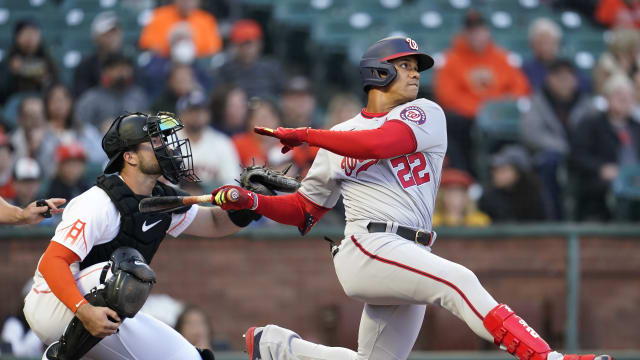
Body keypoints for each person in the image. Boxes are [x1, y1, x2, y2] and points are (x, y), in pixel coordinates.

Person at [210, 36, 610, 360]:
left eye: (416, 66)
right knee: (459, 280)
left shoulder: (425, 114)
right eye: (405, 65)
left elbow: (379, 144)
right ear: (377, 72)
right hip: (368, 245)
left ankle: (278, 347)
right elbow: (304, 212)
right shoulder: (338, 138)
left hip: (409, 250)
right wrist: (251, 203)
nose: (415, 73)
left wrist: (307, 135)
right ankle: (548, 359)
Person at [23, 112, 260, 360]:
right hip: (53, 304)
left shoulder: (160, 198)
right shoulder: (98, 202)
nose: (166, 146)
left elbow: (213, 223)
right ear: (130, 156)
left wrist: (254, 203)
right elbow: (53, 262)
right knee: (126, 270)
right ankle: (61, 356)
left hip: (102, 308)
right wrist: (82, 310)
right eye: (155, 141)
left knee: (189, 357)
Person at [434, 9, 530, 171]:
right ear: (465, 33)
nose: (476, 35)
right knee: (448, 123)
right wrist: (480, 110)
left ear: (487, 32)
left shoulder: (502, 57)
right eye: (472, 31)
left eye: (480, 30)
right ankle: (466, 173)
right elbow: (447, 95)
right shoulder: (452, 59)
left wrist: (496, 108)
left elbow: (520, 87)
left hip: (498, 116)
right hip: (468, 118)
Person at [520, 59, 593, 220]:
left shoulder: (586, 103)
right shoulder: (539, 101)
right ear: (549, 79)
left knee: (594, 166)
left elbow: (594, 133)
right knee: (549, 162)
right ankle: (553, 219)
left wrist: (577, 150)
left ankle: (588, 219)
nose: (564, 82)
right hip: (552, 155)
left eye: (568, 77)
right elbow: (531, 133)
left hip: (581, 156)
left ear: (575, 79)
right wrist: (564, 148)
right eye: (559, 77)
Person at [571, 73, 640, 221]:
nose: (624, 99)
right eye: (619, 94)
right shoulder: (591, 124)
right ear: (607, 98)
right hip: (604, 182)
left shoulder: (636, 127)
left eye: (629, 95)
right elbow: (577, 155)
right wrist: (601, 168)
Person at [176, 90, 240, 187]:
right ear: (181, 115)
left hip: (212, 199)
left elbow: (232, 180)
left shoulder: (222, 142)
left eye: (202, 111)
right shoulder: (168, 141)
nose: (198, 116)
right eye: (192, 111)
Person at [74, 54, 150, 132]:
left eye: (125, 68)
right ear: (105, 71)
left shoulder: (138, 95)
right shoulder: (91, 98)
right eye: (117, 68)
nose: (122, 73)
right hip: (99, 141)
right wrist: (99, 128)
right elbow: (79, 127)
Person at [216, 19, 285, 99]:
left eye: (249, 44)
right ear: (234, 46)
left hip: (267, 109)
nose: (246, 49)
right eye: (241, 44)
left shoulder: (271, 67)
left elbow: (283, 95)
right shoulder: (226, 70)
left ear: (259, 44)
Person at [478, 146, 547, 222]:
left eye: (503, 170)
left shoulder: (534, 194)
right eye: (495, 170)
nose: (497, 174)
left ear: (519, 173)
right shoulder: (488, 196)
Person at [0, 19, 58, 106]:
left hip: (42, 105)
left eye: (34, 34)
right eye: (26, 34)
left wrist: (46, 81)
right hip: (14, 106)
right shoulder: (9, 61)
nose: (30, 38)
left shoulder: (48, 61)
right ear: (17, 37)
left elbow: (58, 87)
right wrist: (11, 72)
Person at [139, 0, 222, 58]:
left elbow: (213, 48)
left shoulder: (206, 20)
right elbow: (146, 43)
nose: (186, 2)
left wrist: (191, 43)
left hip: (196, 64)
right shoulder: (158, 16)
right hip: (165, 63)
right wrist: (171, 42)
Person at [72, 11, 124, 97]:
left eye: (116, 32)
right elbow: (83, 98)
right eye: (108, 33)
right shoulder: (85, 66)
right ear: (96, 37)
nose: (114, 37)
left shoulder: (128, 64)